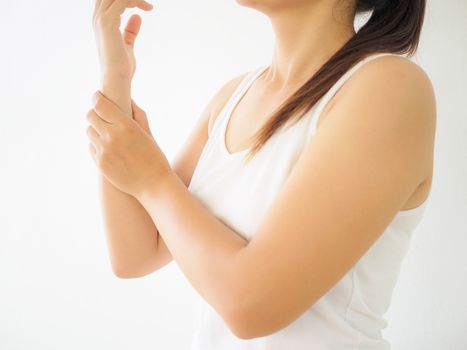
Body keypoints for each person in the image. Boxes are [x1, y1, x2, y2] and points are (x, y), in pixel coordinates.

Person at [86, 0, 436, 348]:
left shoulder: (389, 87)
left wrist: (152, 178)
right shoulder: (234, 96)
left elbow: (251, 306)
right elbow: (136, 253)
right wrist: (117, 79)